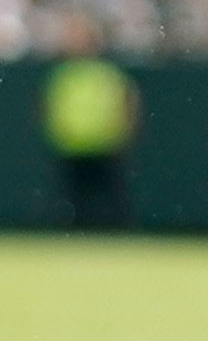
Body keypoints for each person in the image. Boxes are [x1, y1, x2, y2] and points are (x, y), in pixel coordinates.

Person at [44, 45, 139, 232]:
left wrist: (122, 132)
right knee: (73, 198)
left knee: (111, 197)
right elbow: (48, 106)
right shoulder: (63, 75)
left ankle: (116, 231)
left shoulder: (105, 73)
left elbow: (128, 102)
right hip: (72, 146)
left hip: (104, 144)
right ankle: (72, 231)